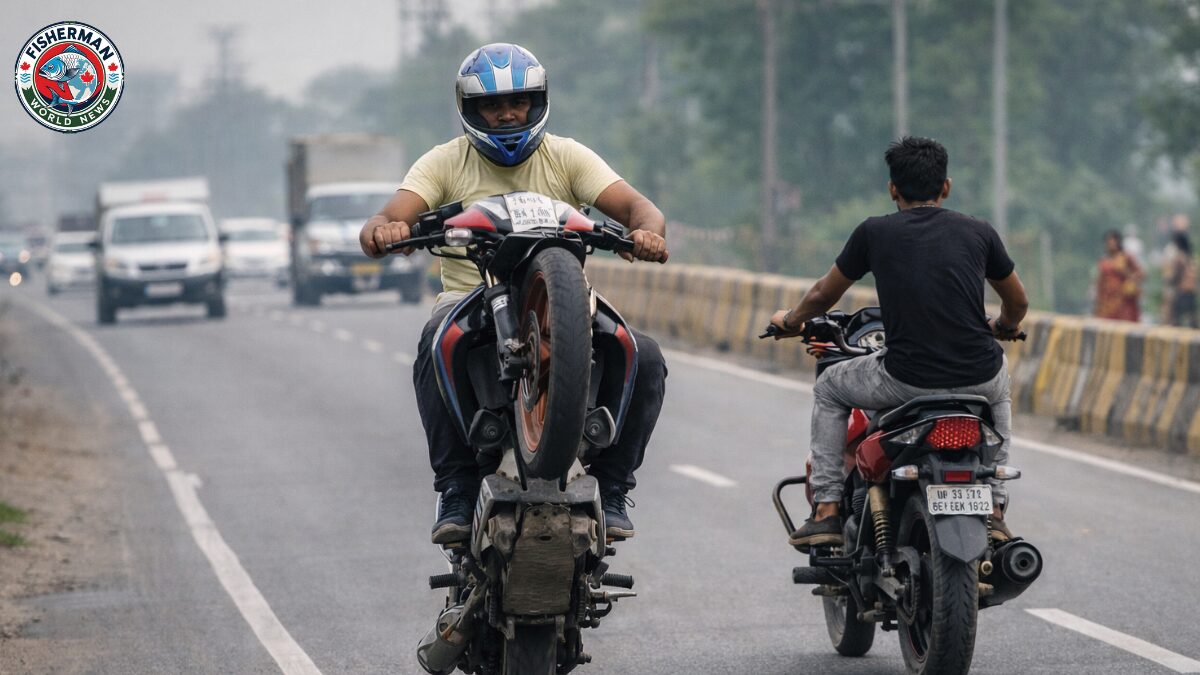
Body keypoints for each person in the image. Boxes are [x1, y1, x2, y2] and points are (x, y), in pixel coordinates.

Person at [358, 43, 668, 545]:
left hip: (563, 302)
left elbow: (640, 208)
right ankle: (456, 487)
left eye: (518, 102)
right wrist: (384, 229)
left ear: (537, 102)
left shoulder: (566, 156)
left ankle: (613, 487)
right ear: (469, 109)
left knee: (645, 355)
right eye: (492, 105)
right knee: (435, 342)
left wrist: (647, 232)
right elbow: (391, 215)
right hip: (469, 296)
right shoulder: (443, 162)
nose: (506, 114)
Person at [769, 136, 1029, 548]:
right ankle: (995, 509)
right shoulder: (980, 231)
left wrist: (790, 320)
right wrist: (1005, 325)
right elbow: (1018, 302)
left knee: (830, 387)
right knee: (1000, 390)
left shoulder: (875, 232)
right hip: (980, 376)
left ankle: (827, 509)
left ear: (893, 189)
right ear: (946, 187)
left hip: (906, 379)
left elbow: (822, 295)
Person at [1094, 230, 1143, 322]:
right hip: (1106, 301)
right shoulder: (1104, 260)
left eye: (1113, 242)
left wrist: (1127, 274)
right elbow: (1100, 281)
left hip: (1122, 300)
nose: (1111, 245)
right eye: (1108, 242)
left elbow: (1140, 274)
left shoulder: (1125, 257)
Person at [1166, 231, 1197, 328]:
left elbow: (1176, 275)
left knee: (1176, 318)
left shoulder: (1180, 257)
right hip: (1191, 290)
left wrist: (1169, 280)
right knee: (1192, 317)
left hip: (1182, 290)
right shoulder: (1190, 256)